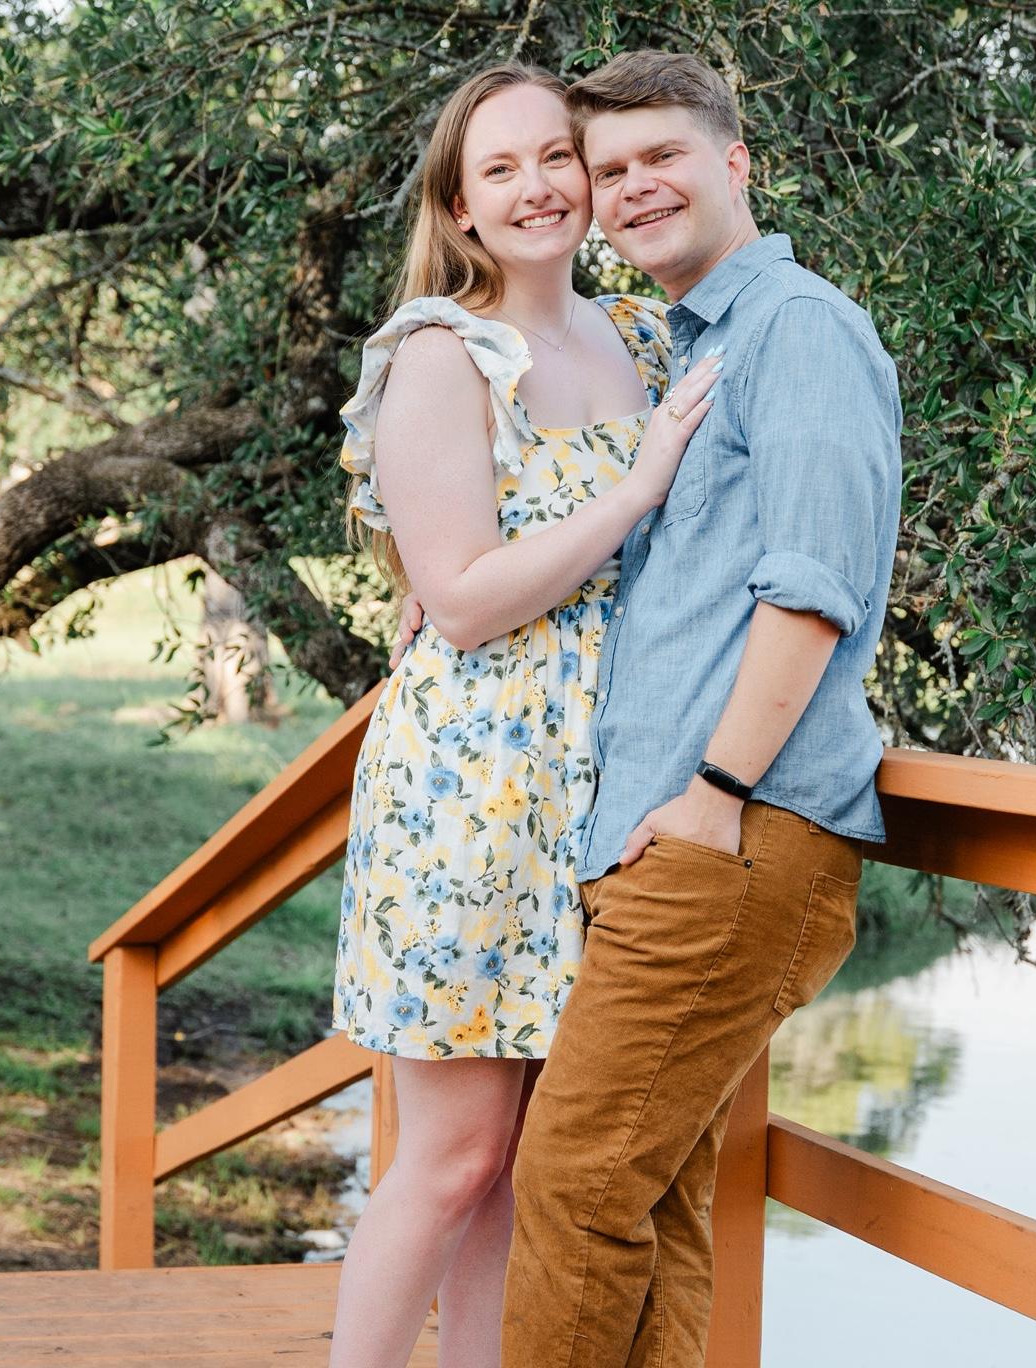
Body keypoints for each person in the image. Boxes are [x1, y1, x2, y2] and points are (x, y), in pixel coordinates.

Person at [494, 51, 904, 1368]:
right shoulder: (689, 347)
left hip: (736, 827)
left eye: (660, 156)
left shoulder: (798, 329)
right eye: (609, 169)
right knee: (649, 1202)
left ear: (735, 163)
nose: (631, 188)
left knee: (572, 1184)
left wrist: (714, 795)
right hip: (665, 837)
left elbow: (813, 588)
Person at [328, 63, 721, 1368]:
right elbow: (457, 601)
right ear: (460, 207)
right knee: (454, 1156)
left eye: (558, 157)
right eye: (500, 169)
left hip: (597, 792)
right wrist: (636, 485)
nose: (539, 187)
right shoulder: (445, 354)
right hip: (472, 787)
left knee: (530, 1159)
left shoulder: (641, 337)